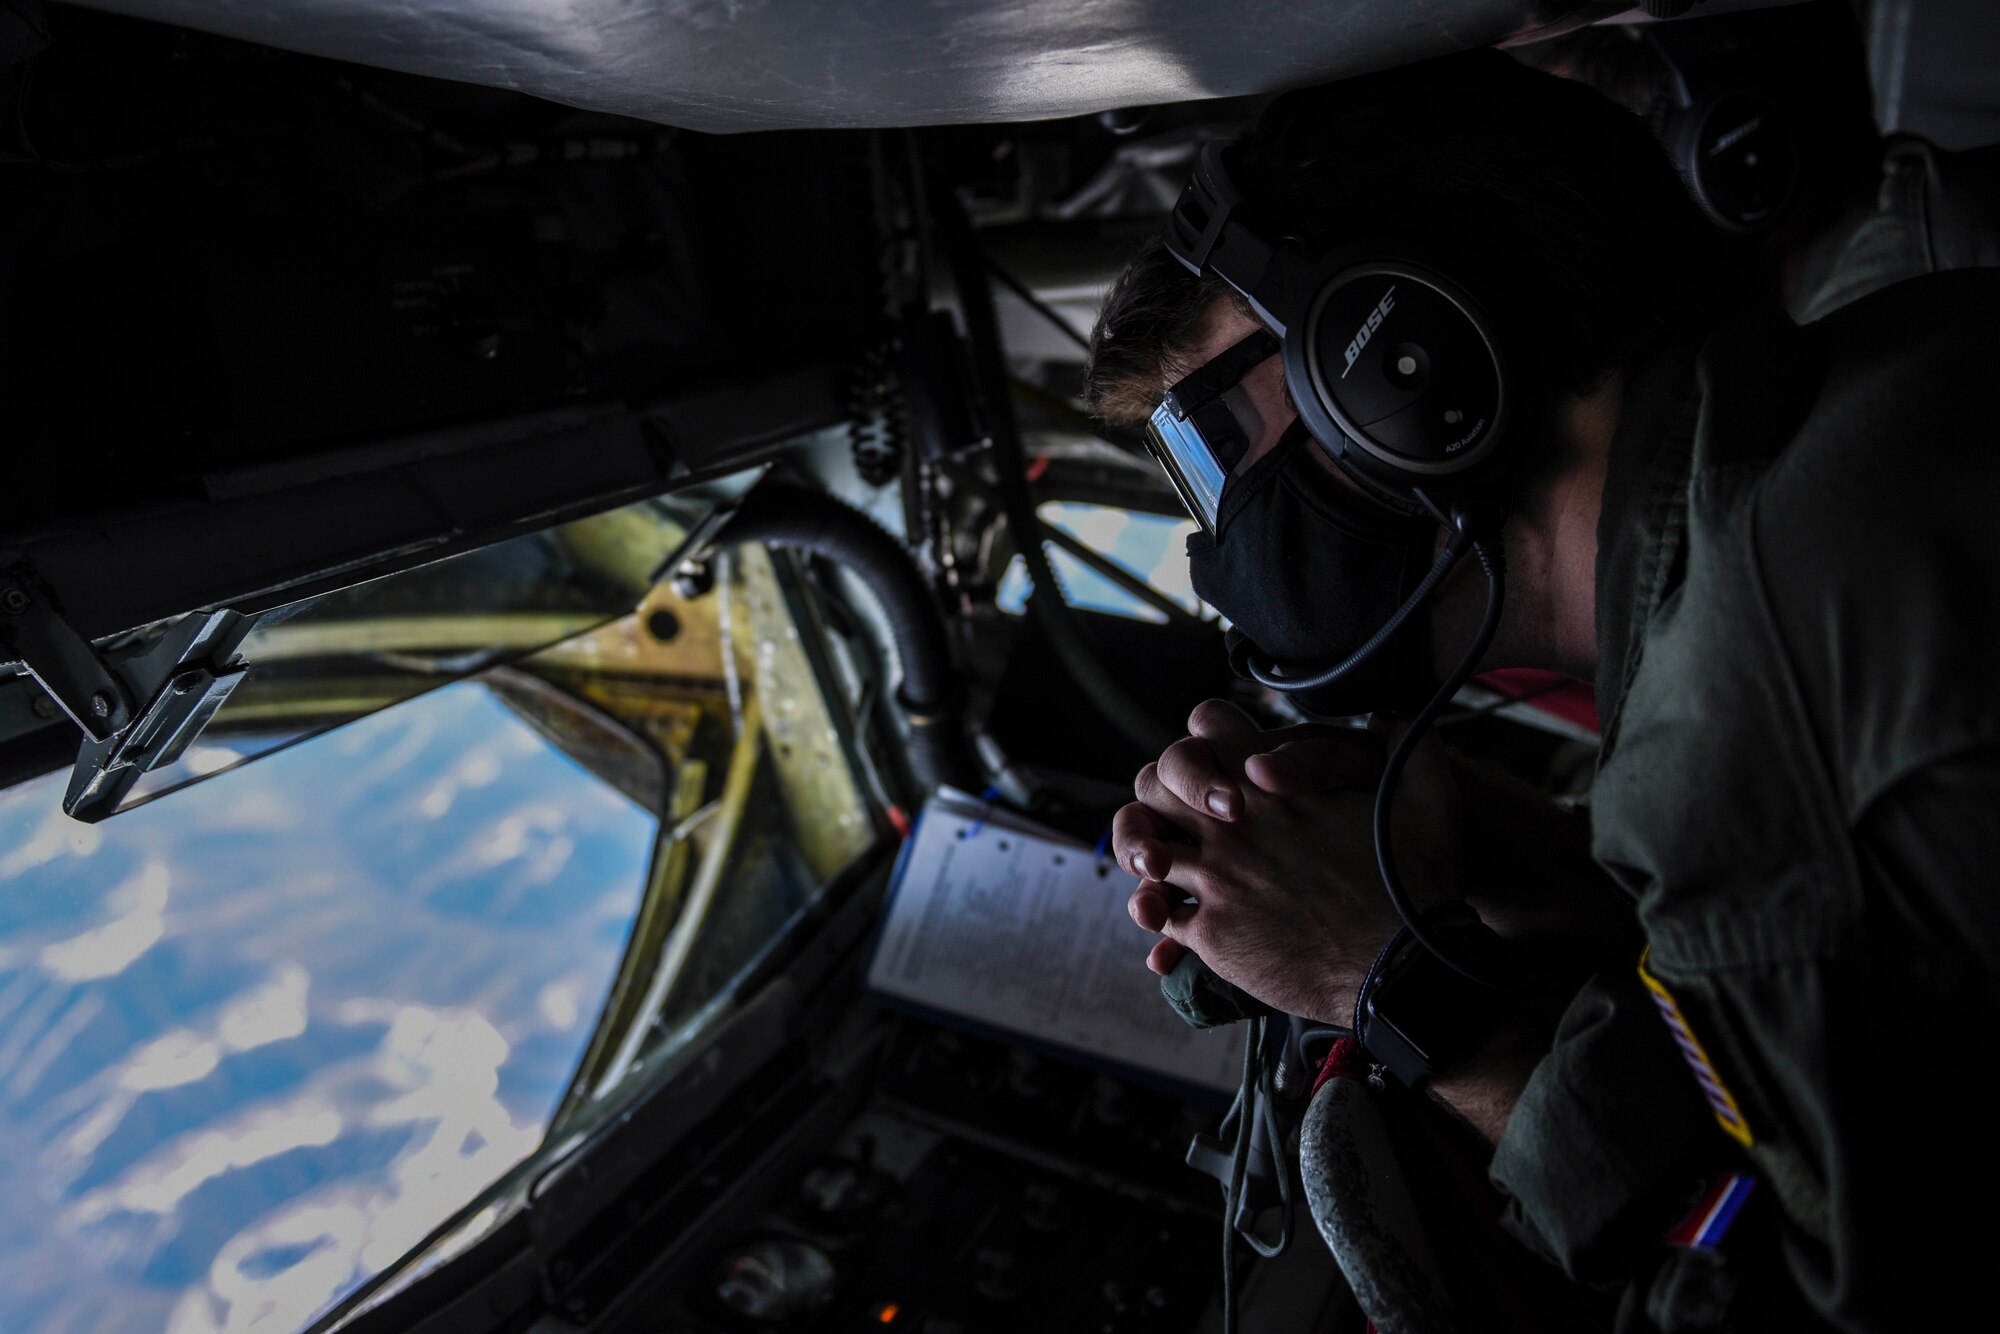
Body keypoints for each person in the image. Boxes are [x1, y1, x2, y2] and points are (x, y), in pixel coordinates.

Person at [1085, 49, 2000, 1333]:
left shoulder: (1732, 717)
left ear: (1393, 353)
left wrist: (1390, 983)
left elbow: (1814, 1302)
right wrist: (1509, 852)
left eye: (1209, 447)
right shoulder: (1889, 374)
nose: (1216, 544)